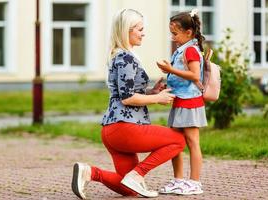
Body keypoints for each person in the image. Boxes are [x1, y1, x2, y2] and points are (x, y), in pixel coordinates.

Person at [71, 8, 186, 199]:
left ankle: (89, 172)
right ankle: (138, 174)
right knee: (178, 140)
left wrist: (151, 91)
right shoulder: (126, 58)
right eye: (139, 29)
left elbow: (127, 92)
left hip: (112, 130)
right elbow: (127, 98)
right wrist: (157, 98)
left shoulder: (119, 55)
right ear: (126, 30)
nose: (143, 33)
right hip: (125, 128)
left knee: (129, 189)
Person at [156, 9, 207, 195]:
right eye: (171, 33)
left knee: (192, 142)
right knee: (175, 142)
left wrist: (171, 69)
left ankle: (194, 182)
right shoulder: (182, 50)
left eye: (175, 33)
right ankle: (179, 180)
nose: (172, 37)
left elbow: (194, 75)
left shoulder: (191, 50)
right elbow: (181, 76)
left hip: (190, 102)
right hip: (179, 101)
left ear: (189, 33)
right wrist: (166, 81)